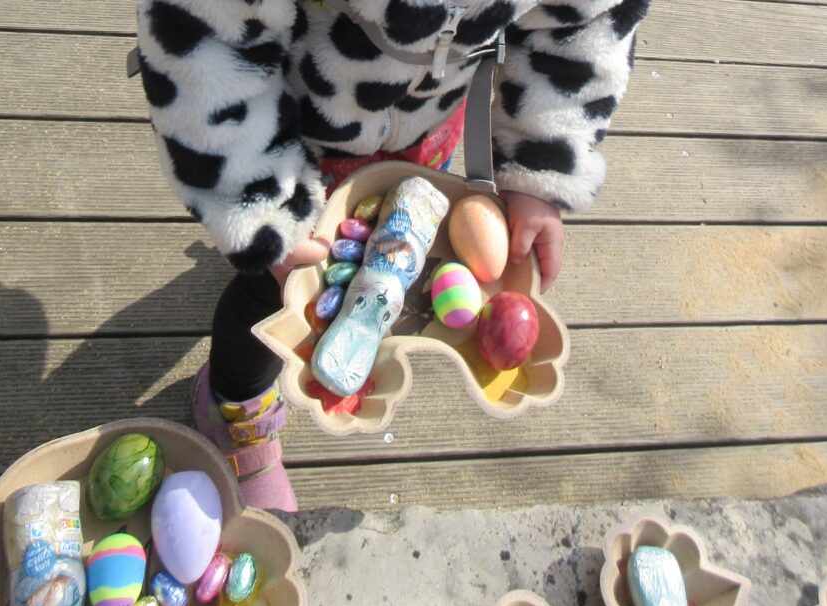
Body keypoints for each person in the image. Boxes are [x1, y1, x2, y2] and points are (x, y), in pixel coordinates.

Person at [135, 0, 650, 511]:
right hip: (295, 141)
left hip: (428, 124)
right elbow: (200, 34)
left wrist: (541, 155)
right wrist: (257, 198)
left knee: (388, 260)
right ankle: (234, 405)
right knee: (272, 297)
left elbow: (587, 24)